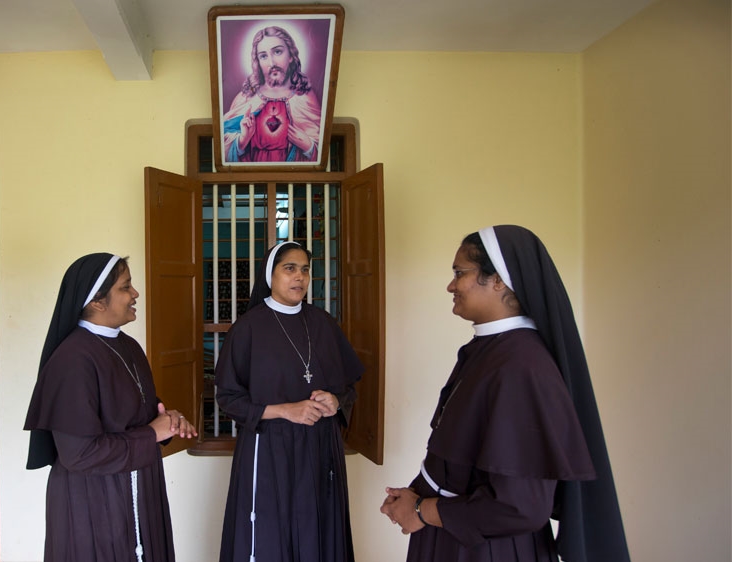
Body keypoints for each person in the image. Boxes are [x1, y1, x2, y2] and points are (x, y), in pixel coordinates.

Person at [379, 225, 630, 562]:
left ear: (498, 279)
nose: (451, 285)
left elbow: (520, 507)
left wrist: (422, 510)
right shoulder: (494, 350)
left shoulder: (520, 368)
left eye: (459, 273)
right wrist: (415, 496)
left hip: (488, 550)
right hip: (457, 535)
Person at [24, 253, 196, 562]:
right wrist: (151, 434)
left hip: (139, 488)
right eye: (125, 287)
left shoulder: (129, 346)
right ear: (96, 301)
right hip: (95, 501)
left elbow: (138, 415)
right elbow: (79, 454)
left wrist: (167, 421)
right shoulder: (72, 359)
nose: (135, 294)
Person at [216, 241, 363, 562]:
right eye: (290, 268)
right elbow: (228, 398)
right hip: (270, 449)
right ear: (270, 275)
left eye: (305, 270)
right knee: (271, 533)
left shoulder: (323, 323)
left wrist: (336, 401)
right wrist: (285, 410)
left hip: (320, 447)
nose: (300, 277)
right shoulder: (248, 328)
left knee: (317, 528)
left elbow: (349, 387)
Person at [221, 26, 323, 163]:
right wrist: (242, 140)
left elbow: (323, 152)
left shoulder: (305, 98)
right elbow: (223, 151)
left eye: (277, 52)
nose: (272, 63)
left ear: (291, 55)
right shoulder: (245, 98)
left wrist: (308, 146)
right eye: (263, 56)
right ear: (258, 62)